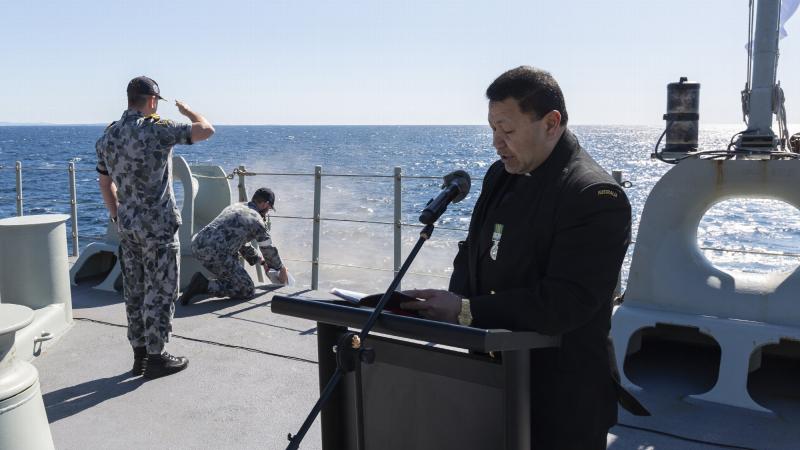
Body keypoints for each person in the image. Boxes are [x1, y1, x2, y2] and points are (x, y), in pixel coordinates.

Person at [401, 66, 646, 449]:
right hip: (491, 381)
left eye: (508, 130)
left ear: (551, 123)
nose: (497, 143)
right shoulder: (501, 175)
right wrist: (447, 304)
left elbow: (564, 304)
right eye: (492, 129)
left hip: (560, 400)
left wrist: (466, 310)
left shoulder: (595, 196)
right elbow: (473, 253)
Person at [96, 76, 215, 379]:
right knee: (161, 291)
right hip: (158, 227)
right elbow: (206, 130)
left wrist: (116, 216)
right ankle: (157, 356)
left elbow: (105, 181)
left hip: (128, 227)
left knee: (134, 290)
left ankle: (139, 357)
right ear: (151, 101)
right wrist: (188, 112)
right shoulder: (157, 130)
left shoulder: (108, 136)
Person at [179, 187, 290, 305]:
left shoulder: (236, 206)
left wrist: (261, 261)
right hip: (215, 252)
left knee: (233, 254)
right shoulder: (257, 220)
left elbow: (240, 242)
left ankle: (223, 281)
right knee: (247, 289)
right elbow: (268, 249)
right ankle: (204, 285)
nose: (267, 212)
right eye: (269, 208)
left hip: (198, 244)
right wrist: (279, 268)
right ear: (265, 204)